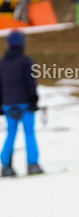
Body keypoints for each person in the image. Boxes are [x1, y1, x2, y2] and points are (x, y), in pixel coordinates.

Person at [0, 31, 42, 177]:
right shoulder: (25, 61)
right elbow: (31, 82)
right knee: (29, 132)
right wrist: (34, 99)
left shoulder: (2, 63)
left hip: (8, 105)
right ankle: (33, 164)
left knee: (11, 133)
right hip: (25, 103)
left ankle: (6, 166)